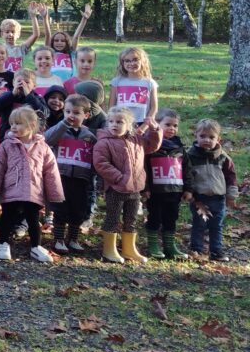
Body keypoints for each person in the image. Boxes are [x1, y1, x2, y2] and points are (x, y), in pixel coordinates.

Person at [0, 107, 63, 263]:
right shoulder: (7, 145)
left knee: (33, 219)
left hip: (33, 191)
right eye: (12, 124)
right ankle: (3, 243)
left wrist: (55, 193)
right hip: (11, 189)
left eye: (18, 123)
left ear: (32, 125)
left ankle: (36, 246)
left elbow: (51, 171)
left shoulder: (43, 147)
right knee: (7, 217)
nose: (13, 127)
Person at [92, 107, 162, 263]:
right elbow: (101, 163)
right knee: (113, 218)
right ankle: (109, 250)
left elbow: (152, 145)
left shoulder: (136, 139)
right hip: (115, 188)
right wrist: (119, 178)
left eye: (119, 122)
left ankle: (129, 249)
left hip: (134, 189)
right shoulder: (104, 142)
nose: (114, 125)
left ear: (129, 124)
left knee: (131, 219)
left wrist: (155, 130)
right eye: (111, 121)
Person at [44, 94, 97, 254]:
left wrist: (93, 176)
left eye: (76, 113)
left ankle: (73, 239)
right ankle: (58, 239)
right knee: (60, 209)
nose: (71, 116)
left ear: (86, 115)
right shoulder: (59, 131)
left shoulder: (90, 136)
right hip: (61, 177)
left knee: (78, 210)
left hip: (81, 179)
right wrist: (63, 124)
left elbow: (95, 157)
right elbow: (47, 140)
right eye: (67, 112)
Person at [185, 118, 238, 261]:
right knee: (199, 224)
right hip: (199, 198)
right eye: (202, 136)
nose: (206, 140)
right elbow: (186, 176)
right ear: (196, 136)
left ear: (218, 139)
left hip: (218, 198)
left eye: (211, 137)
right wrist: (188, 192)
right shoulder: (190, 156)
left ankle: (216, 251)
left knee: (216, 226)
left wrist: (231, 195)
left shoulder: (223, 158)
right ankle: (196, 249)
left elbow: (231, 177)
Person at [143, 109, 189, 260]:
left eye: (175, 125)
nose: (172, 128)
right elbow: (144, 168)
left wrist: (188, 189)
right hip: (156, 191)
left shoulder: (180, 147)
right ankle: (153, 245)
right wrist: (145, 187)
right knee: (154, 217)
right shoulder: (151, 146)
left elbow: (187, 169)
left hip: (174, 190)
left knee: (171, 217)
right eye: (167, 124)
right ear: (157, 124)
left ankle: (170, 246)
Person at [109, 46, 158, 125]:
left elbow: (154, 108)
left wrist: (143, 128)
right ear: (122, 63)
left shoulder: (150, 83)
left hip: (142, 124)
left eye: (135, 59)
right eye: (127, 61)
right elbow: (112, 107)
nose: (132, 63)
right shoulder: (116, 82)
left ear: (143, 61)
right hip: (121, 124)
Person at [43, 4, 92, 80]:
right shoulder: (49, 52)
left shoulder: (71, 53)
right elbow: (47, 35)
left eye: (63, 41)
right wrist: (45, 17)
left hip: (69, 85)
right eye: (56, 40)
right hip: (52, 84)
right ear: (52, 42)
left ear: (67, 42)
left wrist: (84, 19)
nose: (59, 42)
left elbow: (76, 37)